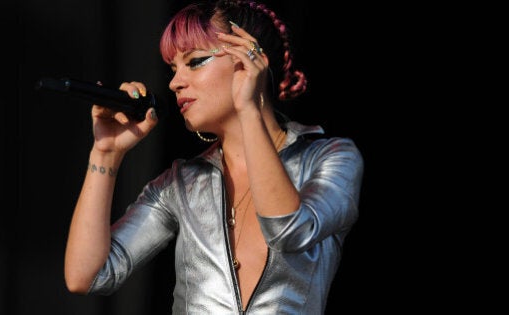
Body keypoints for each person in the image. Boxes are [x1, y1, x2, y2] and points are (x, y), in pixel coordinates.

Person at [64, 0, 364, 313]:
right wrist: (107, 152)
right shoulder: (181, 183)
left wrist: (249, 108)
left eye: (194, 62)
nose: (175, 82)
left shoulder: (331, 158)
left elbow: (289, 231)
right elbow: (87, 276)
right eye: (172, 68)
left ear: (250, 59)